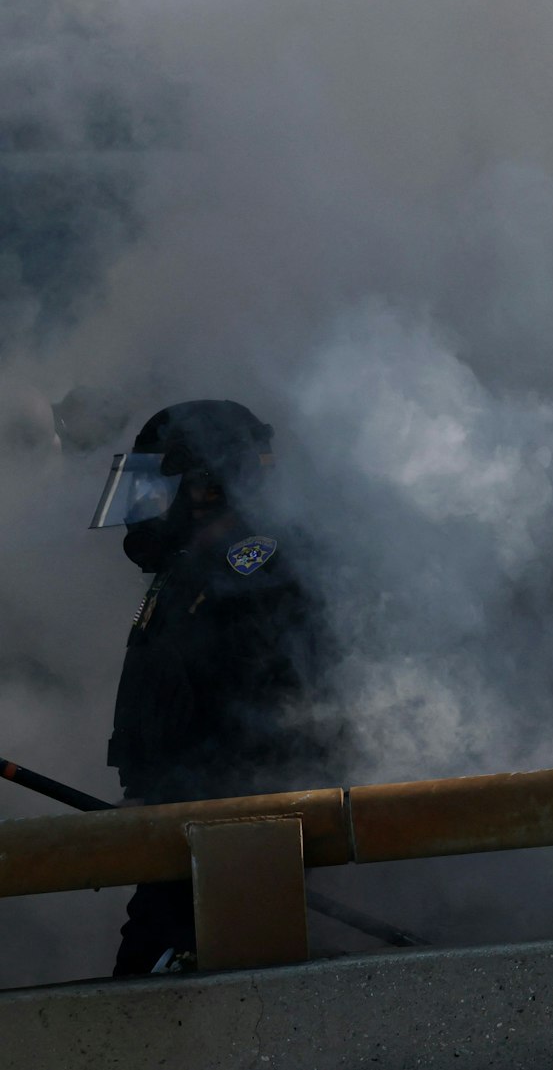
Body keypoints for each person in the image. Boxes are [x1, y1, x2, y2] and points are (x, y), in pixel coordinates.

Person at [89, 399, 331, 975]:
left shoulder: (259, 575)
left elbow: (267, 724)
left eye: (156, 487)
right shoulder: (194, 571)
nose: (141, 511)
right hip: (188, 834)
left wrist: (172, 796)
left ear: (210, 487)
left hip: (231, 835)